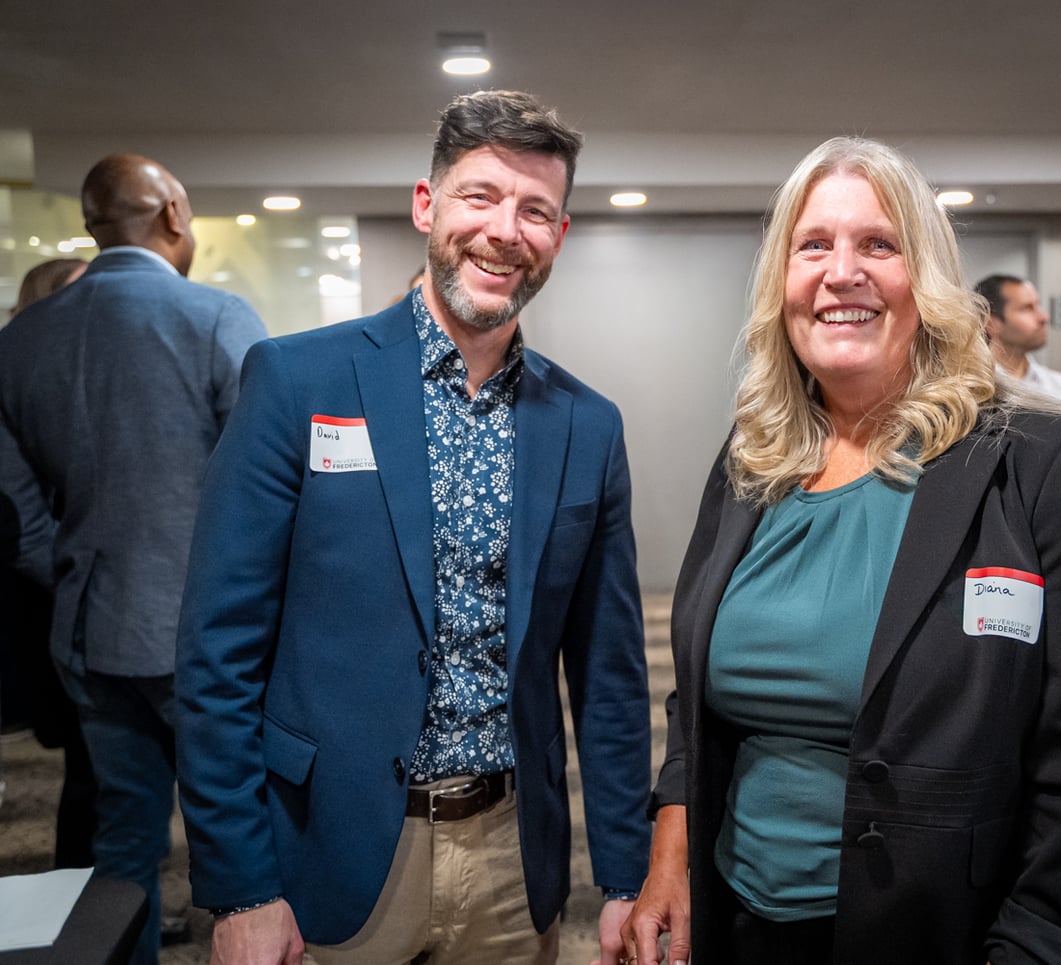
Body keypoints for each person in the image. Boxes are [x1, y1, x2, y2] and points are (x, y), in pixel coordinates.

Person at [620, 136, 1061, 965]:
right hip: (743, 925)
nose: (842, 272)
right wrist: (671, 859)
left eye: (879, 244)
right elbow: (693, 699)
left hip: (948, 934)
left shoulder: (1054, 469)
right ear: (781, 284)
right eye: (814, 246)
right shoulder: (750, 462)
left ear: (930, 281)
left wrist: (1038, 947)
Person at [175, 89, 650, 965]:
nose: (504, 230)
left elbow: (609, 676)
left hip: (512, 859)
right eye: (480, 196)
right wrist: (241, 885)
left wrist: (627, 876)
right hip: (330, 851)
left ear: (559, 234)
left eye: (534, 210)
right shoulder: (296, 382)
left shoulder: (587, 424)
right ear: (428, 205)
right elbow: (218, 655)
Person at [0, 154, 267, 965]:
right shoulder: (218, 317)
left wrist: (70, 567)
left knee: (123, 839)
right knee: (250, 841)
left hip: (90, 630)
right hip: (214, 639)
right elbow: (270, 483)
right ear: (174, 215)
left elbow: (14, 509)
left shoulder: (21, 339)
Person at [0, 255, 94, 867]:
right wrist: (82, 578)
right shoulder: (18, 370)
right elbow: (21, 522)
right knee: (90, 767)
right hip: (48, 594)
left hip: (74, 587)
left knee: (97, 768)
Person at [975, 273, 1061, 419]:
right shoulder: (972, 388)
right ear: (991, 323)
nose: (1044, 317)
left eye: (1038, 306)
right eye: (1027, 308)